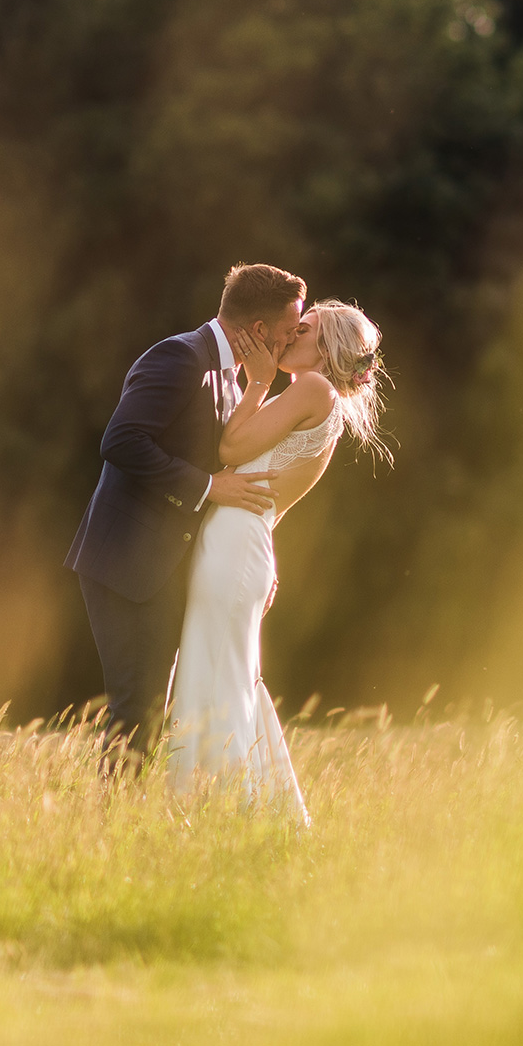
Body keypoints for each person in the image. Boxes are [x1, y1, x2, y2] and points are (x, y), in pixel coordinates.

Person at [65, 263, 307, 763]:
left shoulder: (234, 376)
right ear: (259, 331)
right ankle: (113, 825)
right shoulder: (179, 357)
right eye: (287, 333)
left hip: (167, 567)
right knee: (136, 704)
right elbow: (122, 440)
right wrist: (207, 486)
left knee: (154, 706)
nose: (290, 343)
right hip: (125, 563)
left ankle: (127, 820)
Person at [165, 298, 389, 820]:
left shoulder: (311, 389)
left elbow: (231, 449)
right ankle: (239, 810)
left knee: (215, 669)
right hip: (244, 544)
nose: (288, 335)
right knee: (227, 670)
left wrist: (259, 381)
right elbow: (276, 496)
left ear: (326, 345)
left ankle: (221, 810)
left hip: (234, 547)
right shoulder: (315, 400)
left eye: (302, 329)